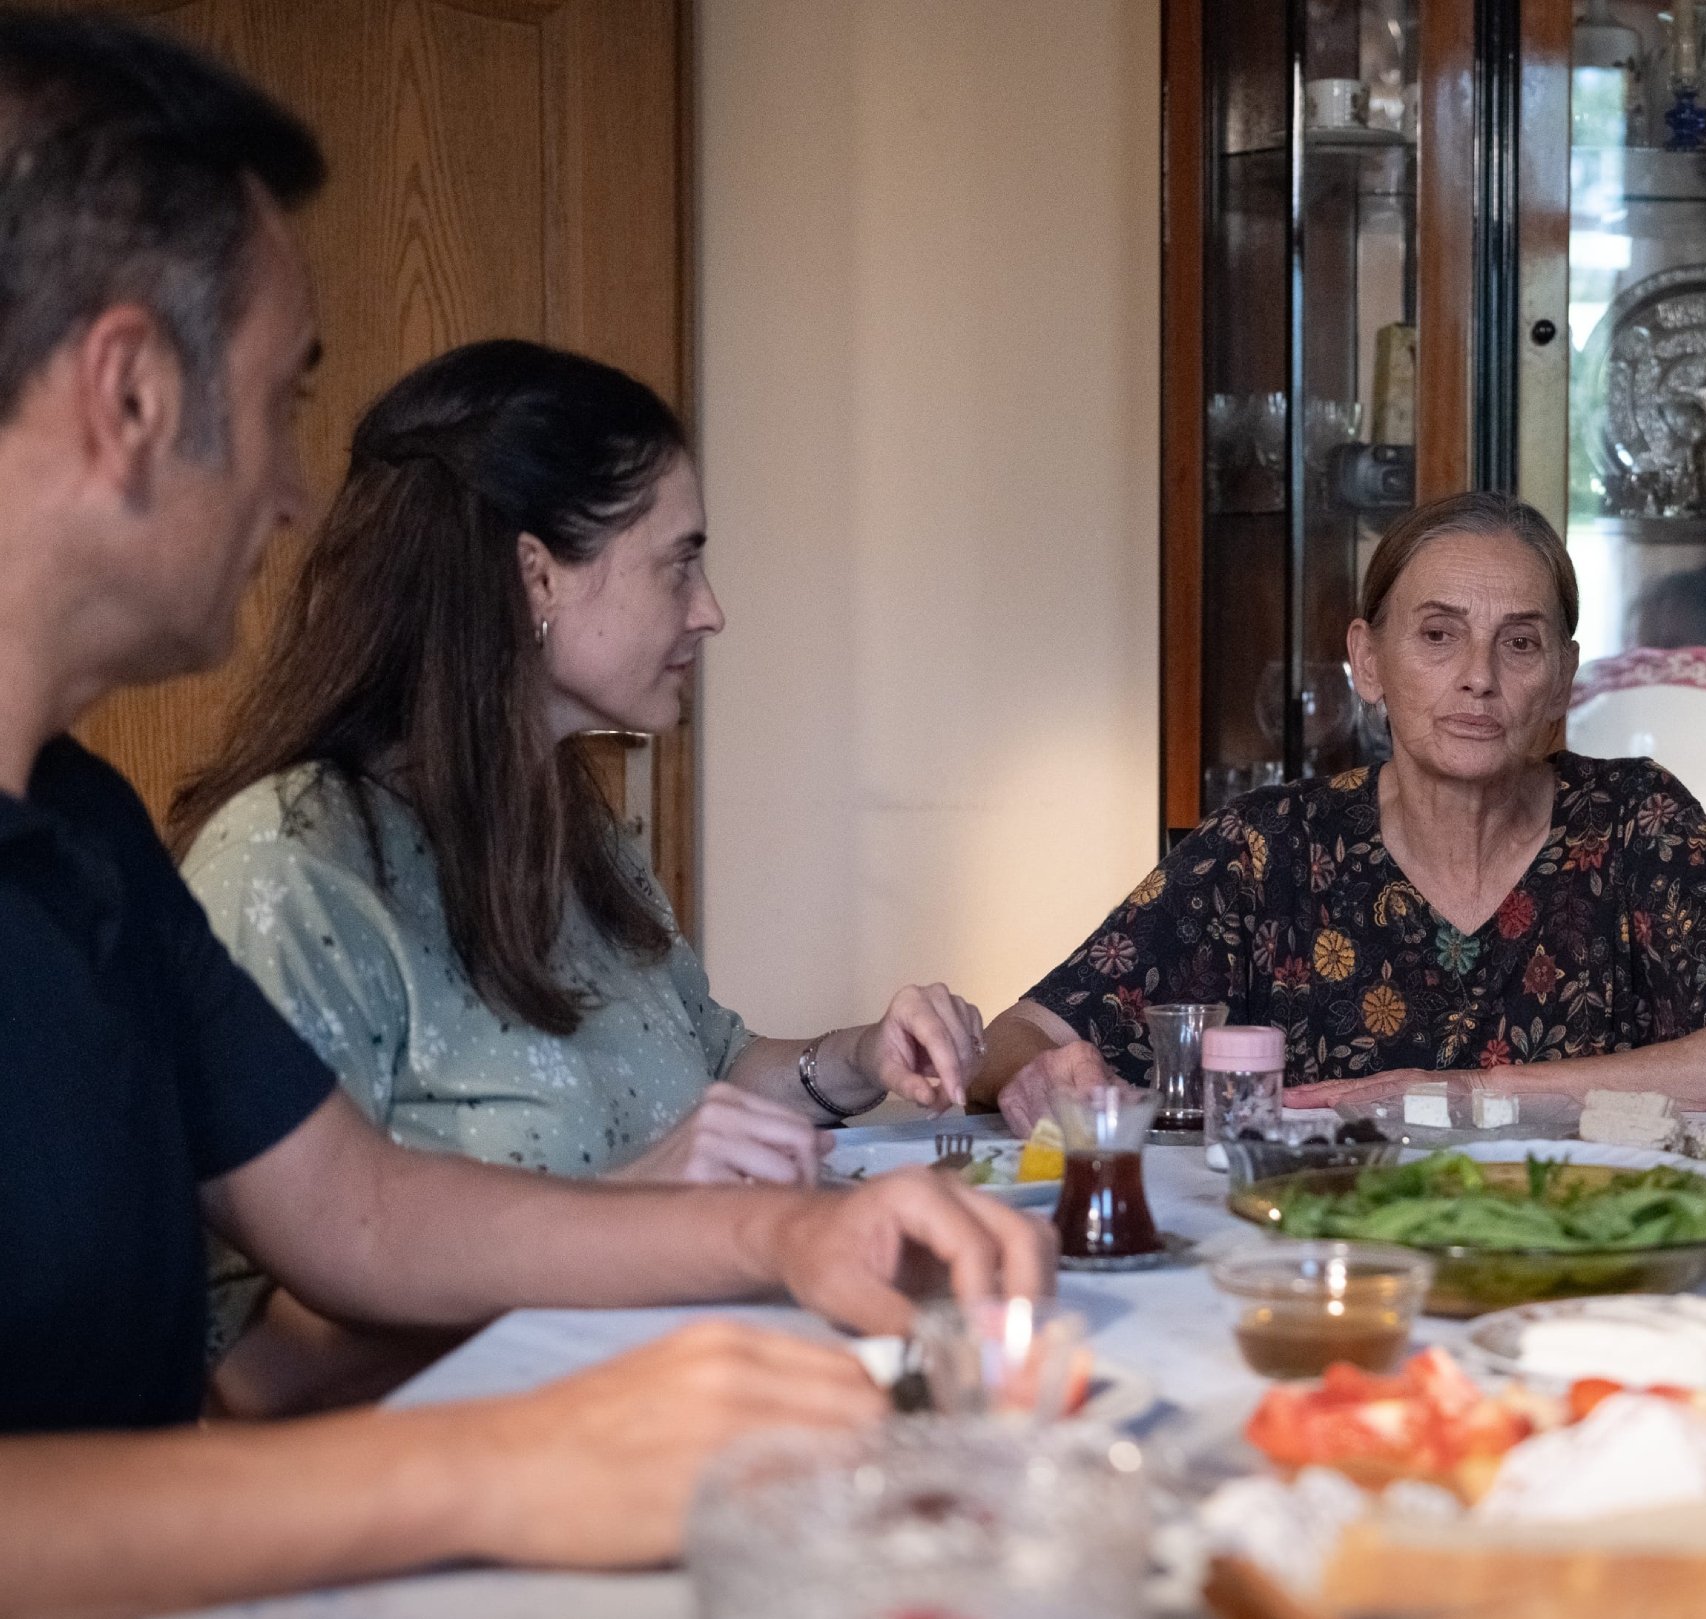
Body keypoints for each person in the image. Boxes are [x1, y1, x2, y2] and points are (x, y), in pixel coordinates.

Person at [0, 15, 1046, 1611]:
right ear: (130, 392)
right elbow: (268, 1360)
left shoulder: (82, 831)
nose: (295, 492)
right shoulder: (284, 854)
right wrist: (512, 1457)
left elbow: (354, 1208)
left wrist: (779, 1239)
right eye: (279, 400)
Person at [168, 340, 989, 1412]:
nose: (710, 609)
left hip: (657, 1405)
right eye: (678, 562)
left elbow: (702, 1076)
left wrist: (860, 1055)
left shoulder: (573, 825)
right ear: (536, 577)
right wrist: (633, 1212)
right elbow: (255, 1371)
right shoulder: (290, 871)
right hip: (460, 1471)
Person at [976, 490, 1706, 1132]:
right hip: (1324, 1258)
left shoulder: (1635, 821)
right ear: (1368, 660)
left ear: (1562, 677)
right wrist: (1042, 1076)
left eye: (1519, 642)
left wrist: (1463, 1093)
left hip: (1577, 1252)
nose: (1479, 677)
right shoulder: (1268, 847)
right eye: (1437, 634)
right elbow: (1020, 1033)